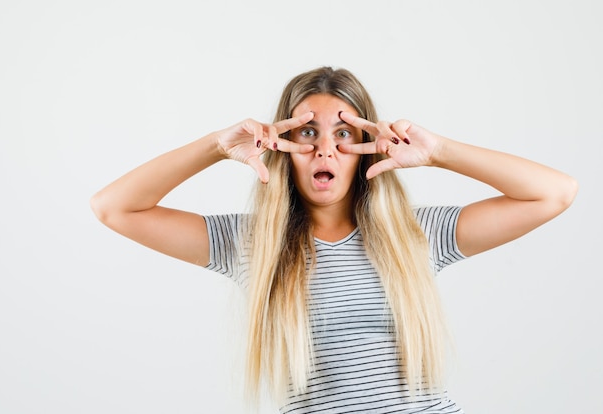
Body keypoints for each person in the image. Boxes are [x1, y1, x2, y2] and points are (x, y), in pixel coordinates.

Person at [90, 66, 578, 413]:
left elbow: (554, 194)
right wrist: (216, 147)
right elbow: (114, 207)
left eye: (345, 133)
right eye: (307, 131)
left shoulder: (416, 234)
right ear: (282, 147)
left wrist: (440, 152)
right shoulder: (250, 243)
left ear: (367, 149)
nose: (326, 147)